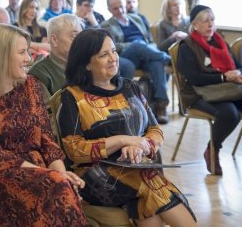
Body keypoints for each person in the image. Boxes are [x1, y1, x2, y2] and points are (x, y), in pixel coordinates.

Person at [59, 28, 196, 227]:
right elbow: (74, 149)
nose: (113, 58)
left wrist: (141, 145)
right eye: (103, 55)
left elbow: (155, 130)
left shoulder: (131, 87)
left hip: (137, 166)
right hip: (93, 175)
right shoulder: (72, 96)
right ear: (86, 63)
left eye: (114, 51)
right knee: (150, 182)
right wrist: (124, 140)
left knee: (147, 198)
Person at [0, 24, 89, 226]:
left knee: (62, 187)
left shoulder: (31, 86)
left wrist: (60, 173)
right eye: (22, 52)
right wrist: (51, 176)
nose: (29, 58)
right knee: (56, 190)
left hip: (37, 170)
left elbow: (47, 141)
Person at [177, 5, 242, 175]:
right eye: (205, 21)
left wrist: (237, 74)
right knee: (230, 113)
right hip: (198, 93)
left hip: (226, 89)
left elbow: (238, 66)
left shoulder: (220, 41)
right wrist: (224, 77)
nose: (210, 24)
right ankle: (212, 150)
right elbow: (194, 78)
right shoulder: (187, 46)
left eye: (212, 20)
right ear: (195, 25)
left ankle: (213, 147)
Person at [101, 0, 171, 124]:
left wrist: (145, 46)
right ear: (109, 10)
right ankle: (166, 58)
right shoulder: (106, 25)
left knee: (156, 63)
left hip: (145, 54)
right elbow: (113, 46)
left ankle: (161, 105)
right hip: (127, 55)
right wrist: (135, 45)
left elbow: (150, 40)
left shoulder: (137, 19)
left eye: (122, 6)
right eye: (115, 8)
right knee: (138, 44)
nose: (120, 10)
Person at [29, 13, 82, 98]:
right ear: (54, 39)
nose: (80, 41)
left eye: (81, 36)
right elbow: (45, 110)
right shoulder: (39, 74)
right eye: (74, 36)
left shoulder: (86, 65)